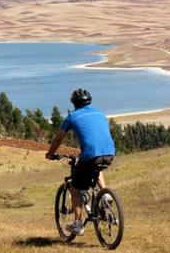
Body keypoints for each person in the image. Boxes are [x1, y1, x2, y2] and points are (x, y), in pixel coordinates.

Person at [46, 89, 115, 235]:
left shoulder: (72, 116)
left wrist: (51, 153)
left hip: (91, 155)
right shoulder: (100, 113)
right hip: (109, 153)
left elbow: (58, 138)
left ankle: (78, 224)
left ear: (74, 103)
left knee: (75, 188)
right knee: (96, 167)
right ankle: (105, 193)